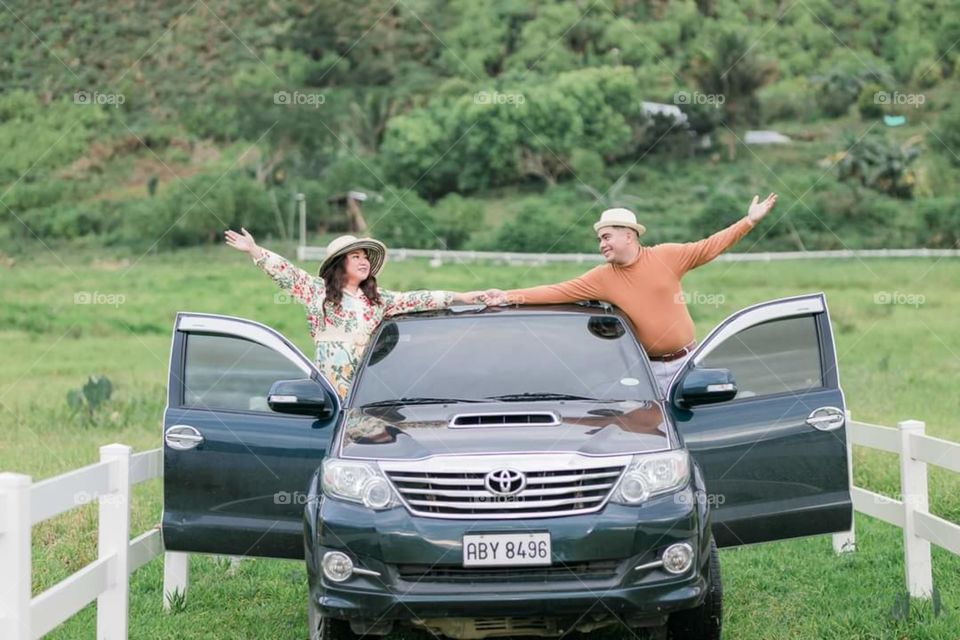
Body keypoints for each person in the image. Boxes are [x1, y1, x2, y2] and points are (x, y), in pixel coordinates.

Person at [488, 194, 778, 396]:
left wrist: (749, 221)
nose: (601, 244)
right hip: (645, 369)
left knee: (695, 428)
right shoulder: (602, 277)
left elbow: (710, 246)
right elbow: (555, 291)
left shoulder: (668, 255)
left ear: (628, 235)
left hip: (687, 362)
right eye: (600, 239)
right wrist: (507, 296)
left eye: (606, 237)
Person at [225, 228, 489, 399]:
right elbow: (286, 272)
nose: (364, 261)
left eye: (365, 257)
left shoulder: (378, 300)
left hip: (366, 389)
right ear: (340, 264)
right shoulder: (317, 293)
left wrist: (461, 297)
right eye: (356, 257)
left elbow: (416, 299)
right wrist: (254, 250)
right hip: (328, 391)